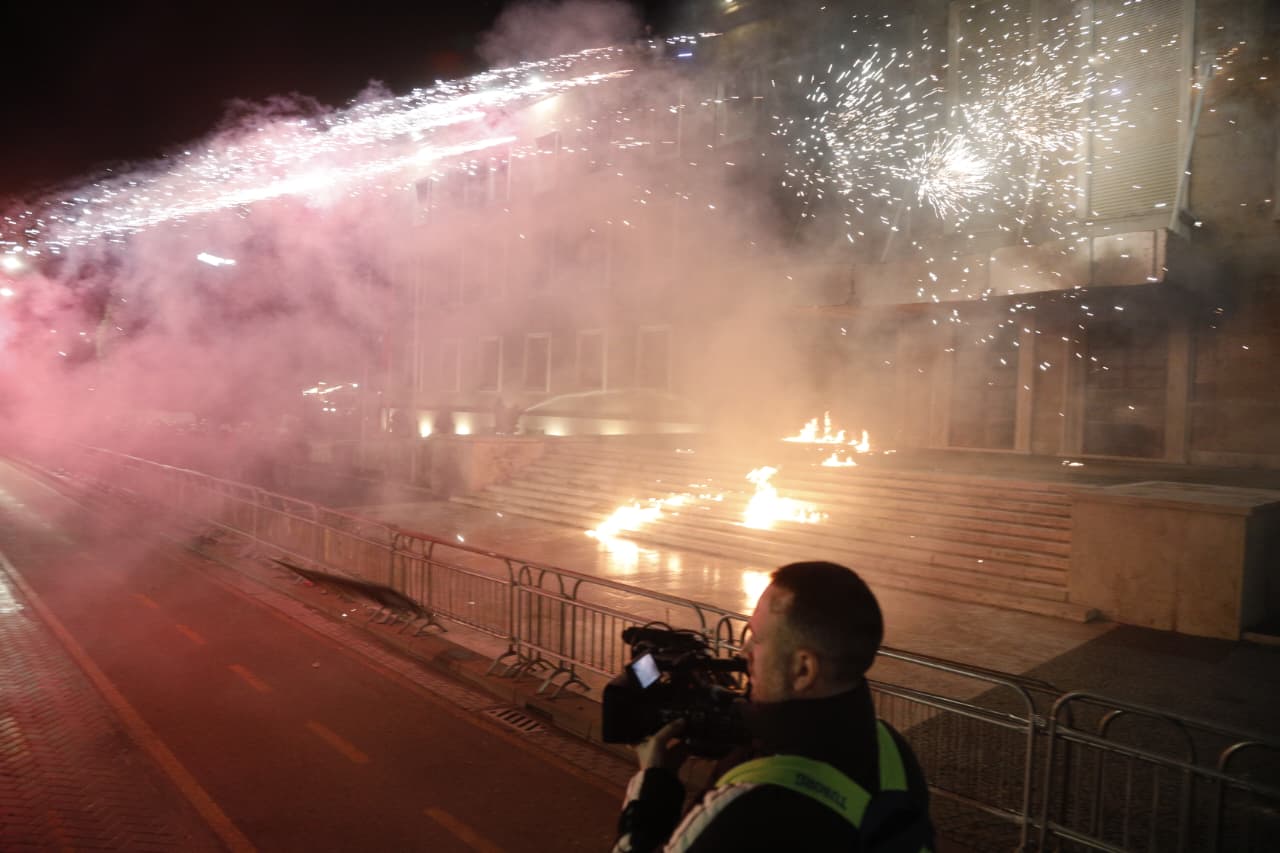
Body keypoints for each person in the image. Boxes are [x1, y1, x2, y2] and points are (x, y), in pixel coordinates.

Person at [613, 561, 934, 852]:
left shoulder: (745, 808)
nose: (744, 652)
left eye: (757, 638)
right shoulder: (893, 752)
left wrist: (650, 796)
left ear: (803, 669)